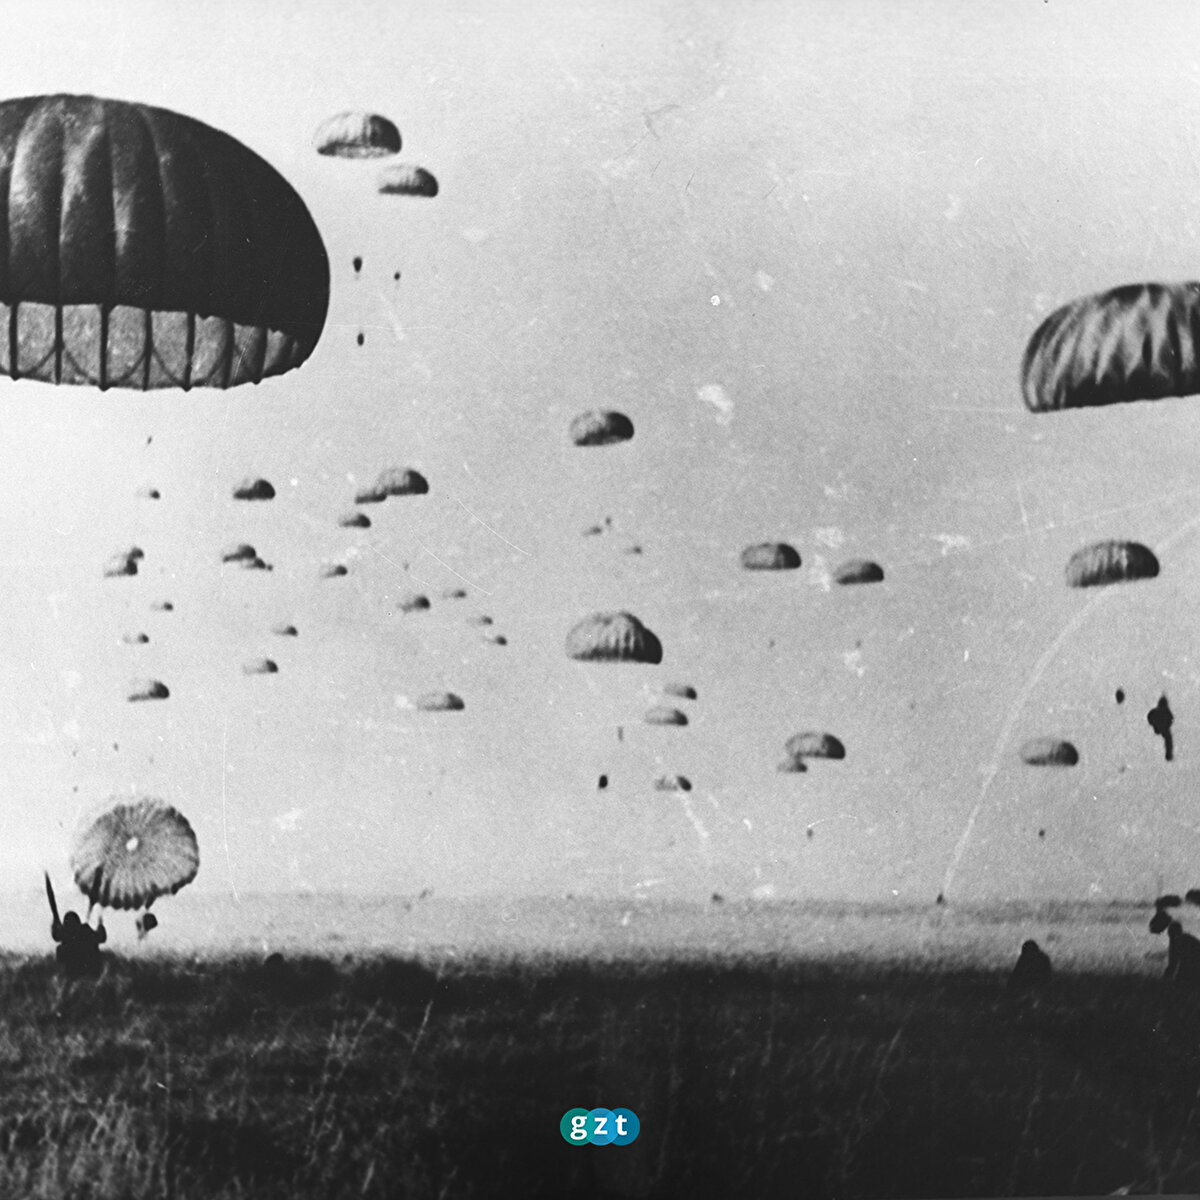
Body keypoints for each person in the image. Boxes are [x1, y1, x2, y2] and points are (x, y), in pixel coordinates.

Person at [51, 910, 106, 979]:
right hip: (91, 972)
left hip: (73, 973)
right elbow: (101, 938)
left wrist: (55, 921)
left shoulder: (65, 933)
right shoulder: (86, 930)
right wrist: (100, 925)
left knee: (60, 949)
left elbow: (55, 935)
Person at [1165, 920, 1200, 985]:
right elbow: (1172, 963)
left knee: (1180, 982)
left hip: (1194, 967)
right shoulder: (1186, 938)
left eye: (1170, 932)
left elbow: (1173, 964)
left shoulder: (1180, 940)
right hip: (1193, 967)